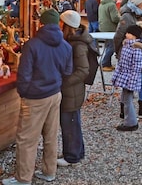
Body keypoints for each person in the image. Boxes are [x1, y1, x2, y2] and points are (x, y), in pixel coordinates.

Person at [3, 8, 72, 185]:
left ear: (41, 24)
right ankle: (49, 171)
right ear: (58, 24)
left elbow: (24, 74)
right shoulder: (65, 46)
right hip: (55, 94)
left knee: (26, 139)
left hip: (35, 97)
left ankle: (24, 178)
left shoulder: (32, 45)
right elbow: (67, 71)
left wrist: (24, 92)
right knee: (51, 136)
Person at [112, 0, 142, 120]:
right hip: (130, 53)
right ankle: (128, 110)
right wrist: (119, 52)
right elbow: (118, 36)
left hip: (139, 52)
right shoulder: (127, 16)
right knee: (131, 83)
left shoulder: (141, 14)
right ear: (137, 3)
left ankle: (140, 108)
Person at [57, 10, 93, 167]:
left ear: (65, 25)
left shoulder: (77, 45)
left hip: (72, 90)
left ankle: (71, 156)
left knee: (69, 122)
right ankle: (77, 151)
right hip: (72, 89)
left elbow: (83, 70)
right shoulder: (73, 41)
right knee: (72, 121)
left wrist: (64, 83)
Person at [111, 24, 142, 131]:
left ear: (135, 36)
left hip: (130, 79)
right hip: (125, 77)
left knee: (127, 101)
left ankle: (131, 122)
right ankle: (128, 120)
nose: (126, 35)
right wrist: (116, 77)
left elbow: (136, 68)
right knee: (125, 99)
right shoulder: (126, 46)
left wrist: (131, 82)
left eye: (129, 33)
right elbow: (121, 64)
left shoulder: (136, 49)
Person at [98, 0, 120, 71]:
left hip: (103, 27)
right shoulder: (111, 4)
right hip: (110, 28)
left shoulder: (102, 3)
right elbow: (114, 18)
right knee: (112, 47)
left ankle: (108, 64)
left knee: (108, 46)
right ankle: (104, 63)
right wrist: (121, 19)